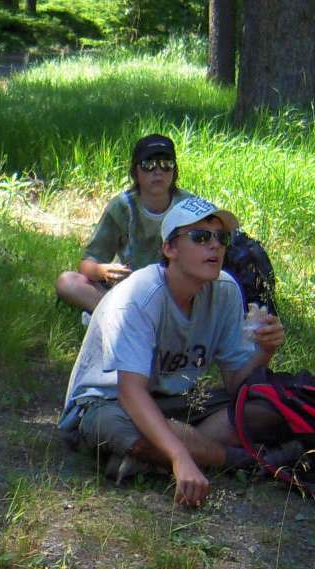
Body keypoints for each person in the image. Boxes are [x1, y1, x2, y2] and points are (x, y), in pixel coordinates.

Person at [60, 195, 286, 509]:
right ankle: (243, 461)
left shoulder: (225, 290)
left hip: (174, 401)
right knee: (111, 424)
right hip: (107, 401)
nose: (215, 246)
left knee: (265, 407)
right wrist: (180, 457)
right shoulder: (139, 295)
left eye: (221, 238)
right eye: (201, 237)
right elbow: (130, 392)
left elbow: (237, 383)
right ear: (170, 248)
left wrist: (264, 352)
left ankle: (152, 457)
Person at [55, 133, 199, 315]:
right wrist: (103, 271)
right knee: (67, 282)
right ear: (135, 172)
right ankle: (126, 315)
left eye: (166, 164)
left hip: (178, 292)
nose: (158, 171)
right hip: (128, 291)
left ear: (174, 170)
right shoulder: (122, 207)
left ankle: (119, 317)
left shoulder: (190, 206)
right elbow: (87, 264)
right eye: (148, 164)